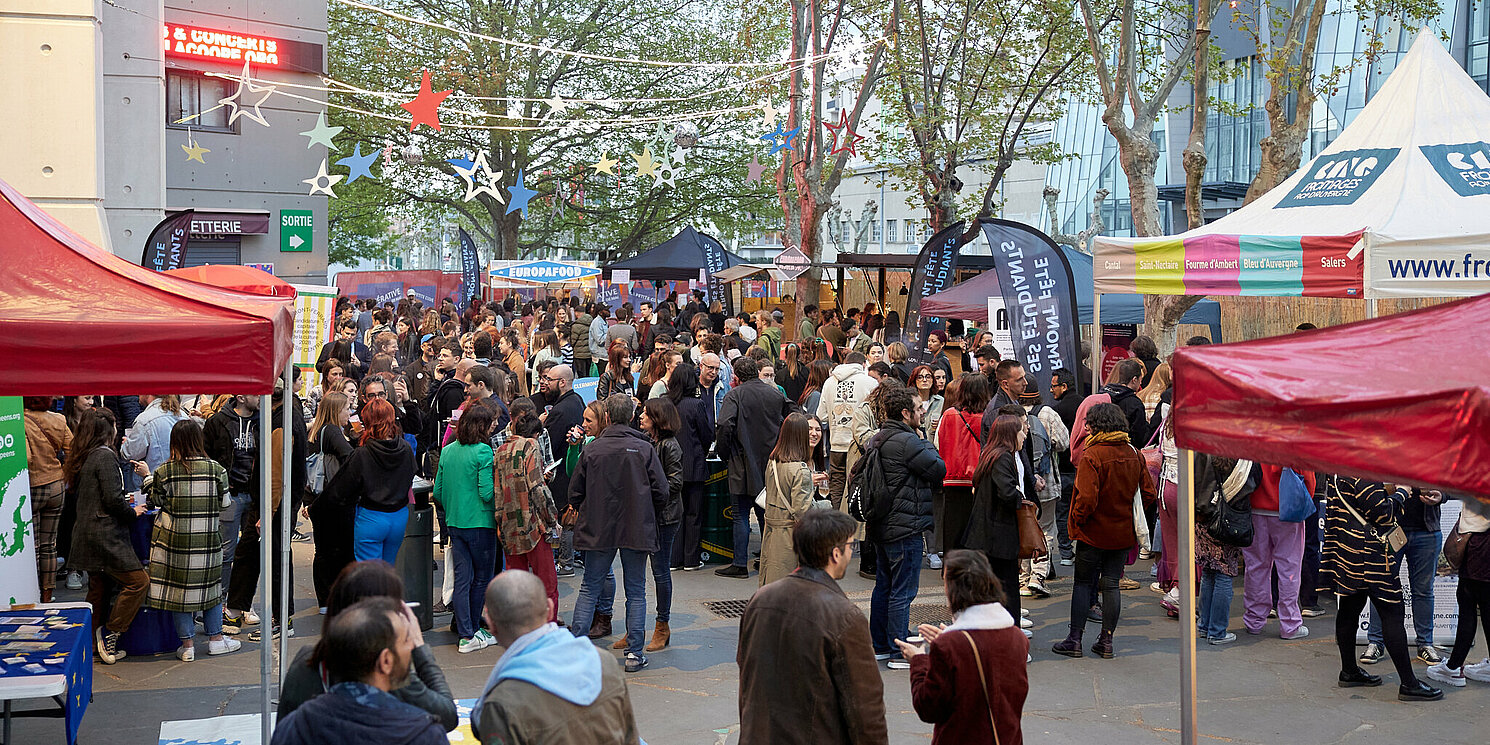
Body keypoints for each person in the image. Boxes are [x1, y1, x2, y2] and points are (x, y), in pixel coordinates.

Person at [737, 509, 888, 745]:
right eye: (850, 545)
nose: (851, 551)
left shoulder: (760, 600)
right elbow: (865, 709)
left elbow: (747, 683)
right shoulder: (846, 617)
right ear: (835, 554)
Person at [470, 571, 642, 745]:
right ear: (550, 609)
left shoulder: (501, 703)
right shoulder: (603, 662)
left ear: (490, 623)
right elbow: (630, 738)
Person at [568, 394, 669, 672]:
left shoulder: (592, 450)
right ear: (632, 416)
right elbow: (662, 490)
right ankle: (635, 653)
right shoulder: (644, 448)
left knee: (590, 586)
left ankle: (576, 650)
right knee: (636, 590)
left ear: (608, 417)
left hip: (598, 526)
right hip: (636, 525)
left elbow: (574, 492)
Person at [1322, 476, 1443, 701]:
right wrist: (1403, 492)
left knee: (1349, 608)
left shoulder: (1338, 465)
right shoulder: (1361, 468)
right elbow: (1383, 513)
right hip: (1369, 555)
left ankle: (1349, 671)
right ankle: (1409, 683)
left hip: (1349, 548)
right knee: (1392, 614)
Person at [1052, 403, 1156, 660]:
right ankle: (1106, 641)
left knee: (1083, 584)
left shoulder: (1093, 455)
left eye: (1089, 423)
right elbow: (1149, 493)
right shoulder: (1133, 453)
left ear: (1099, 426)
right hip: (1122, 533)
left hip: (1093, 532)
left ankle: (1074, 639)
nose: (1085, 427)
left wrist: (1077, 521)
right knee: (1111, 585)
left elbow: (1086, 499)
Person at [271, 597, 447, 745]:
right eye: (406, 640)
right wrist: (421, 650)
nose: (411, 645)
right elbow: (447, 712)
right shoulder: (424, 734)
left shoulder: (296, 725)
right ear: (386, 661)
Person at [897, 550, 1029, 745]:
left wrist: (919, 661)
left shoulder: (951, 645)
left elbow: (928, 707)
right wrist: (948, 640)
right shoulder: (1017, 637)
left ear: (953, 587)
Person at [863, 386, 947, 669]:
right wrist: (927, 442)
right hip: (905, 526)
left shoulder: (880, 437)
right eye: (919, 408)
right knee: (903, 591)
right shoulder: (909, 442)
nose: (923, 413)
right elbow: (938, 469)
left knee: (884, 587)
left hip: (883, 525)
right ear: (905, 413)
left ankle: (881, 645)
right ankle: (900, 648)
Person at [144, 419, 242, 661]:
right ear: (199, 440)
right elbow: (225, 504)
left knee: (180, 594)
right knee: (211, 589)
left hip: (175, 542)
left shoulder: (164, 472)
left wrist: (147, 479)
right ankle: (216, 639)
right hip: (208, 540)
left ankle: (187, 646)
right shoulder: (216, 470)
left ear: (174, 442)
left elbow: (156, 500)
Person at [64, 409, 148, 663]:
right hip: (105, 535)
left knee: (98, 590)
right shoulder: (104, 456)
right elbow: (112, 500)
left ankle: (89, 643)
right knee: (138, 582)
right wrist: (132, 512)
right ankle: (111, 632)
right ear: (108, 429)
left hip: (87, 533)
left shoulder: (84, 455)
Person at [715, 357, 794, 578]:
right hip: (769, 462)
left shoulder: (735, 395)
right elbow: (794, 413)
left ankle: (740, 563)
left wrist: (724, 452)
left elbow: (724, 425)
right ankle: (767, 558)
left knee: (740, 515)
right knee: (765, 513)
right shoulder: (775, 393)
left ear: (736, 376)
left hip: (741, 461)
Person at [433, 404, 498, 654]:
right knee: (481, 579)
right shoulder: (483, 451)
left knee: (462, 579)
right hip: (480, 523)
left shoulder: (448, 451)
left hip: (455, 522)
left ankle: (466, 633)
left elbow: (438, 491)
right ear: (482, 426)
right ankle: (470, 631)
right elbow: (486, 492)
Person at [961, 414, 1035, 626]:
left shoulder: (991, 454)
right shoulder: (1003, 457)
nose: (1024, 435)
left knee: (993, 590)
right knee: (1007, 590)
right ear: (1011, 434)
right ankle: (1009, 640)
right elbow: (1006, 492)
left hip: (987, 534)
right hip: (998, 536)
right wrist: (1021, 497)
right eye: (1021, 430)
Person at [323, 399, 418, 564]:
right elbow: (410, 476)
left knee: (369, 578)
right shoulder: (405, 448)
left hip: (371, 517)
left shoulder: (363, 453)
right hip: (399, 516)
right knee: (387, 571)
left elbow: (342, 489)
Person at [1362, 486, 1446, 664]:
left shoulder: (1437, 457)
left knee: (1423, 590)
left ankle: (1425, 644)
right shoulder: (1386, 457)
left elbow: (1457, 483)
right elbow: (1371, 487)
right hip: (1388, 529)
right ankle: (1376, 642)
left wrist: (1442, 495)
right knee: (1380, 588)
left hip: (1426, 531)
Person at [493, 402, 560, 625]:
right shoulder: (530, 445)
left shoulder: (500, 450)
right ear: (535, 433)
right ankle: (547, 626)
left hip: (508, 524)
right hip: (533, 524)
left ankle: (520, 628)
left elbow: (497, 489)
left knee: (517, 584)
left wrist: (500, 523)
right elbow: (537, 488)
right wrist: (552, 518)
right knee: (546, 584)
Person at [203, 393, 261, 632]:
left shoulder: (262, 419)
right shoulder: (218, 421)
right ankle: (225, 602)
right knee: (227, 552)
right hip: (231, 494)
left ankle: (244, 604)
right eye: (254, 393)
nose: (259, 397)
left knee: (251, 552)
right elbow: (206, 454)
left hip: (254, 494)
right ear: (240, 397)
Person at [1240, 464, 1316, 640]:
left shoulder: (1254, 437)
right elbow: (1308, 475)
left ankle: (1254, 619)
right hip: (1288, 507)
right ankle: (1289, 624)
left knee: (1255, 566)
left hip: (1255, 505)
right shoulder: (1290, 439)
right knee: (1289, 568)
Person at [633, 397, 682, 651]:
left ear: (658, 420)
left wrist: (647, 491)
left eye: (646, 414)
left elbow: (675, 482)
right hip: (652, 515)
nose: (641, 417)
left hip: (665, 517)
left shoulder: (669, 446)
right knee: (641, 572)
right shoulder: (651, 442)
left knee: (660, 572)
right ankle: (636, 629)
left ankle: (662, 626)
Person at [1426, 495, 1490, 688]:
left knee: (1468, 603)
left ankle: (1453, 668)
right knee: (1485, 605)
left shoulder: (1479, 467)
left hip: (1479, 537)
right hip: (1481, 537)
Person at [1194, 453, 1254, 644]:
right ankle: (1217, 631)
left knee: (1209, 571)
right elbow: (1252, 484)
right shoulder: (1244, 455)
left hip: (1204, 516)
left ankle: (1204, 625)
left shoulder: (1203, 449)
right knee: (1224, 572)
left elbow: (1194, 479)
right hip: (1229, 518)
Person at [758, 413, 824, 586]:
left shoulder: (773, 461)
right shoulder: (800, 470)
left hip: (771, 535)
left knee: (770, 585)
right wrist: (825, 506)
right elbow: (803, 514)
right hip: (789, 539)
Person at [305, 391, 356, 611]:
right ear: (337, 411)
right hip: (335, 500)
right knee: (342, 549)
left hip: (318, 498)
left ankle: (324, 599)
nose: (350, 412)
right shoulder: (334, 431)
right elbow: (350, 458)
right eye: (346, 409)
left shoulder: (317, 431)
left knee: (323, 550)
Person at [666, 363, 715, 571]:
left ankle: (673, 559)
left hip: (669, 466)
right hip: (694, 463)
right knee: (693, 514)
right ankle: (691, 559)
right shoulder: (696, 405)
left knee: (673, 514)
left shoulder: (664, 403)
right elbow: (707, 434)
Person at [539, 364, 585, 577]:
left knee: (565, 516)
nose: (545, 383)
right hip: (570, 468)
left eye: (550, 379)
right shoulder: (576, 401)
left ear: (563, 382)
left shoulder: (562, 409)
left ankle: (566, 561)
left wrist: (541, 426)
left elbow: (549, 444)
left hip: (561, 471)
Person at [936, 373, 989, 558]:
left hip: (951, 478)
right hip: (978, 480)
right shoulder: (987, 418)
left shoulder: (949, 415)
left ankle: (951, 570)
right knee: (977, 530)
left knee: (952, 529)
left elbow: (939, 444)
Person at [23, 397, 71, 603]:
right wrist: (64, 476)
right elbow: (72, 451)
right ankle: (47, 594)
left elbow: (26, 458)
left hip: (32, 487)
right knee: (49, 545)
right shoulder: (59, 420)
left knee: (32, 546)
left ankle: (31, 594)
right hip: (56, 486)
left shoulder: (19, 421)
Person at [816, 352, 877, 509]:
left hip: (836, 443)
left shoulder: (829, 382)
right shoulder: (870, 382)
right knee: (856, 484)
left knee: (836, 484)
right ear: (864, 364)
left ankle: (837, 522)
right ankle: (852, 524)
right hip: (858, 444)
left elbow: (820, 415)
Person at [1050, 368, 1085, 566]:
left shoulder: (1057, 411)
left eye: (1054, 386)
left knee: (1062, 512)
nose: (1051, 390)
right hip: (1083, 466)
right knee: (1081, 509)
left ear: (1064, 386)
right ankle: (1081, 547)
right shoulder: (1085, 405)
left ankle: (1065, 552)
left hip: (1063, 466)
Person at [122, 394, 188, 473]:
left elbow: (130, 454)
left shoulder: (144, 420)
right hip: (180, 476)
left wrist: (127, 445)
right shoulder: (184, 416)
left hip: (154, 479)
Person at [1099, 359, 1151, 446]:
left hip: (1101, 447)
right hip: (1125, 450)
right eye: (1140, 379)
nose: (1141, 383)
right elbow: (1139, 437)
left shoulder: (1102, 394)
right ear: (1134, 379)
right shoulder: (1134, 403)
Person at [909, 365, 944, 442]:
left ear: (932, 380)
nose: (924, 380)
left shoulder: (941, 401)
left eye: (928, 377)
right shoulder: (909, 401)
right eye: (920, 377)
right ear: (914, 380)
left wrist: (941, 425)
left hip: (934, 446)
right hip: (915, 444)